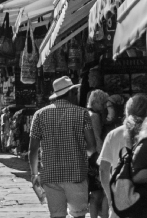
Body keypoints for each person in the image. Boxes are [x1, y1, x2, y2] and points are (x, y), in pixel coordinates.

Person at [29, 75, 96, 218]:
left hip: (50, 175)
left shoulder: (39, 114)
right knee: (79, 215)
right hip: (76, 174)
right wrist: (81, 156)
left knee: (57, 215)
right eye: (75, 92)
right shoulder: (82, 113)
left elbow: (33, 150)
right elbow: (91, 147)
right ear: (71, 93)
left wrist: (34, 174)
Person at [99, 95, 147, 218]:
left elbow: (103, 170)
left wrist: (111, 197)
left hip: (121, 202)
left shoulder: (113, 135)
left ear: (126, 111)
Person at [87, 90, 110, 218]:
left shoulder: (86, 113)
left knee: (94, 194)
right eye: (102, 104)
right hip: (96, 156)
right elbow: (96, 138)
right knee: (103, 192)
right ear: (96, 102)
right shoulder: (94, 116)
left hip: (90, 157)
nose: (103, 107)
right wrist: (103, 156)